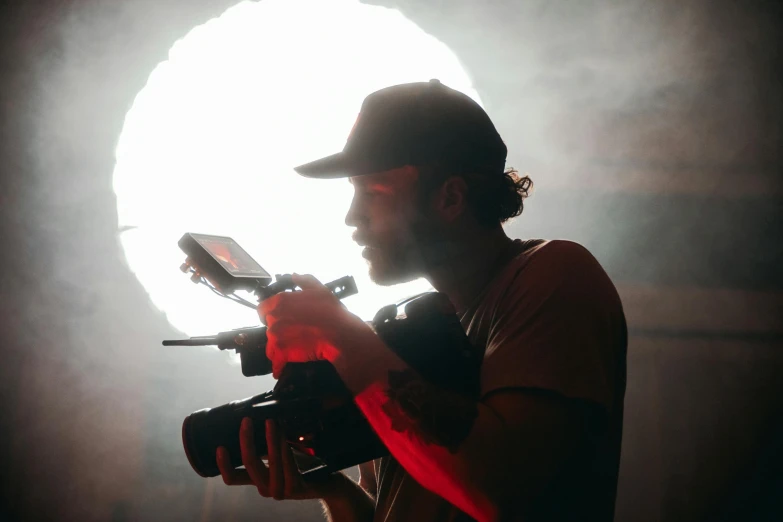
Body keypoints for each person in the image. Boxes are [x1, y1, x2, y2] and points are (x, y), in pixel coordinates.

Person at [215, 79, 628, 522]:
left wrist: (341, 336)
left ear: (450, 197)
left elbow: (502, 493)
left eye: (373, 192)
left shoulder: (554, 274)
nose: (351, 216)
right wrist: (333, 491)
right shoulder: (411, 338)